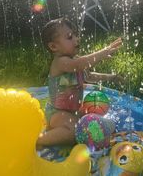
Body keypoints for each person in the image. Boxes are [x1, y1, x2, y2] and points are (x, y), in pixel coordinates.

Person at [36, 17, 123, 149]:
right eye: (70, 37)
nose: (77, 39)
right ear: (54, 46)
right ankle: (38, 140)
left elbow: (89, 76)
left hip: (73, 112)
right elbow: (80, 64)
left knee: (87, 125)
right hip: (57, 113)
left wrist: (111, 77)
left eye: (76, 35)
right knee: (74, 132)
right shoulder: (60, 62)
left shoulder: (74, 62)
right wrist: (104, 52)